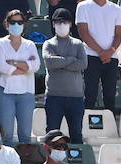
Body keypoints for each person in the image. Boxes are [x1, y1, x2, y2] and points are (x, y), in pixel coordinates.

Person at [42, 9, 88, 141]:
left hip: (76, 98)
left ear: (70, 24)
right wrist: (71, 59)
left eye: (65, 21)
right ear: (53, 24)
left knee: (76, 135)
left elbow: (83, 64)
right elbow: (50, 62)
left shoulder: (78, 44)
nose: (62, 24)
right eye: (58, 21)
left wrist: (60, 60)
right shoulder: (48, 44)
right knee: (51, 136)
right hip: (54, 97)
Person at [76, 0, 121, 111]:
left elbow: (118, 34)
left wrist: (110, 51)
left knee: (110, 95)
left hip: (111, 57)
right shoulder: (83, 6)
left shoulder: (117, 9)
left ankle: (110, 124)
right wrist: (101, 52)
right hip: (90, 56)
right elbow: (83, 32)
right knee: (90, 94)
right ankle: (86, 124)